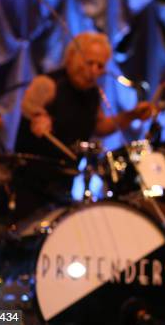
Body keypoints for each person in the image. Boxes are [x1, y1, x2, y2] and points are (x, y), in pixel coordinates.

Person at [13, 31, 152, 215]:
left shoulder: (92, 94)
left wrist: (131, 115)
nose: (94, 71)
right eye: (89, 63)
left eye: (100, 66)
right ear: (71, 57)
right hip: (30, 184)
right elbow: (29, 107)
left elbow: (100, 126)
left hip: (63, 186)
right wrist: (39, 117)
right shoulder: (48, 84)